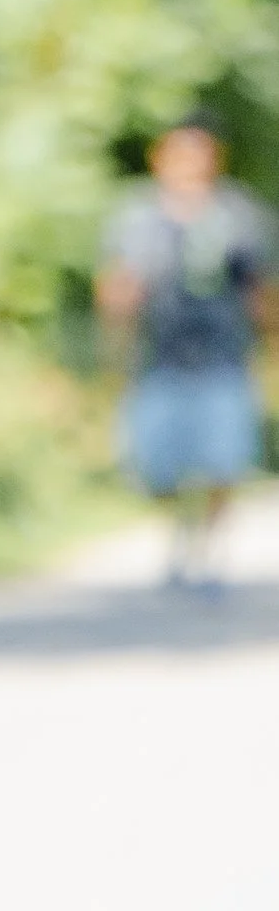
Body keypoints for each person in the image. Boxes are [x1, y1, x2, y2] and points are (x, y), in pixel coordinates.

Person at [96, 119, 275, 588]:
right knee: (156, 468)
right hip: (158, 358)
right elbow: (118, 284)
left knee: (223, 462)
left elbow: (259, 289)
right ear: (160, 159)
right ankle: (177, 531)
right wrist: (114, 346)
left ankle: (210, 555)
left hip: (223, 357)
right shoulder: (139, 217)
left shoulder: (237, 213)